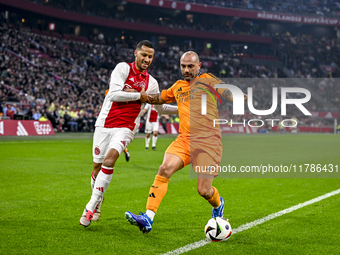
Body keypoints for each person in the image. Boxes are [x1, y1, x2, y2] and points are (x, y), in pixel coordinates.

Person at [125, 51, 247, 233]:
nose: (187, 70)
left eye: (190, 66)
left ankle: (218, 204)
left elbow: (225, 89)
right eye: (183, 66)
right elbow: (158, 98)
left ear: (199, 65)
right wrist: (138, 94)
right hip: (185, 139)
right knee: (164, 169)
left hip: (208, 142)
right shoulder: (178, 87)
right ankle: (148, 218)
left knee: (204, 191)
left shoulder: (208, 80)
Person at [79, 40, 178, 227]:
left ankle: (91, 205)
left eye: (150, 56)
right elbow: (113, 94)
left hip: (127, 127)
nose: (147, 59)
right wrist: (138, 96)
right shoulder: (122, 69)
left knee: (109, 160)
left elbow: (160, 107)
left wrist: (181, 108)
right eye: (144, 55)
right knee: (96, 168)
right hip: (104, 123)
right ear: (136, 53)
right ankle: (99, 200)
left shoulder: (152, 83)